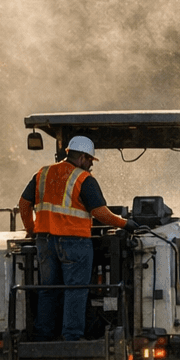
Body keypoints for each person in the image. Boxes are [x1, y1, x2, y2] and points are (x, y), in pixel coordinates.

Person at [18, 135, 129, 342]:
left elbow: (24, 204)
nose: (90, 166)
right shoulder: (83, 178)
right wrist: (125, 223)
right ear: (82, 157)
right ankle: (71, 337)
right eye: (89, 161)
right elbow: (100, 213)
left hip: (45, 242)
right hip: (75, 243)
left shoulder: (43, 173)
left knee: (48, 289)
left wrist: (31, 230)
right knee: (75, 290)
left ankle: (44, 335)